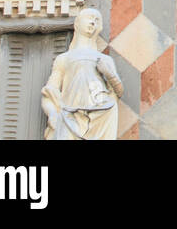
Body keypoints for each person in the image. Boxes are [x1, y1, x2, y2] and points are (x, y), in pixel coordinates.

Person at [41, 8, 123, 140]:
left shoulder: (105, 60)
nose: (93, 22)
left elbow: (118, 91)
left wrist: (109, 73)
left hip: (100, 115)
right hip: (69, 114)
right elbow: (50, 92)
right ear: (77, 23)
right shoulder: (64, 58)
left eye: (97, 20)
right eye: (89, 18)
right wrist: (52, 114)